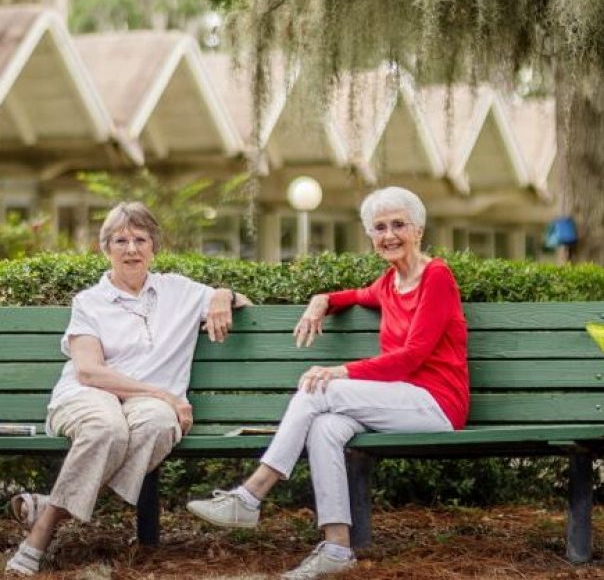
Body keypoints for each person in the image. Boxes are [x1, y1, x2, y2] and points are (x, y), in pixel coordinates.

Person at [186, 186, 469, 580]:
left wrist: (340, 371)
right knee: (325, 427)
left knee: (318, 387)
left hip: (436, 403)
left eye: (398, 225)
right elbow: (352, 294)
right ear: (371, 236)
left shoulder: (436, 276)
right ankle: (337, 548)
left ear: (418, 230)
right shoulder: (389, 283)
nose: (389, 235)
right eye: (379, 227)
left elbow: (412, 357)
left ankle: (251, 495)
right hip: (397, 401)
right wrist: (322, 299)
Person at [6, 201, 250, 577]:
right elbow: (89, 372)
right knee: (107, 427)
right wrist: (166, 396)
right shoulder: (89, 302)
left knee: (158, 425)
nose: (131, 249)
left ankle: (49, 510)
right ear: (106, 249)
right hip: (88, 396)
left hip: (147, 407)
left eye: (140, 239)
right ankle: (39, 536)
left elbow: (240, 300)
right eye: (120, 240)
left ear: (154, 247)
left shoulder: (181, 292)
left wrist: (222, 295)